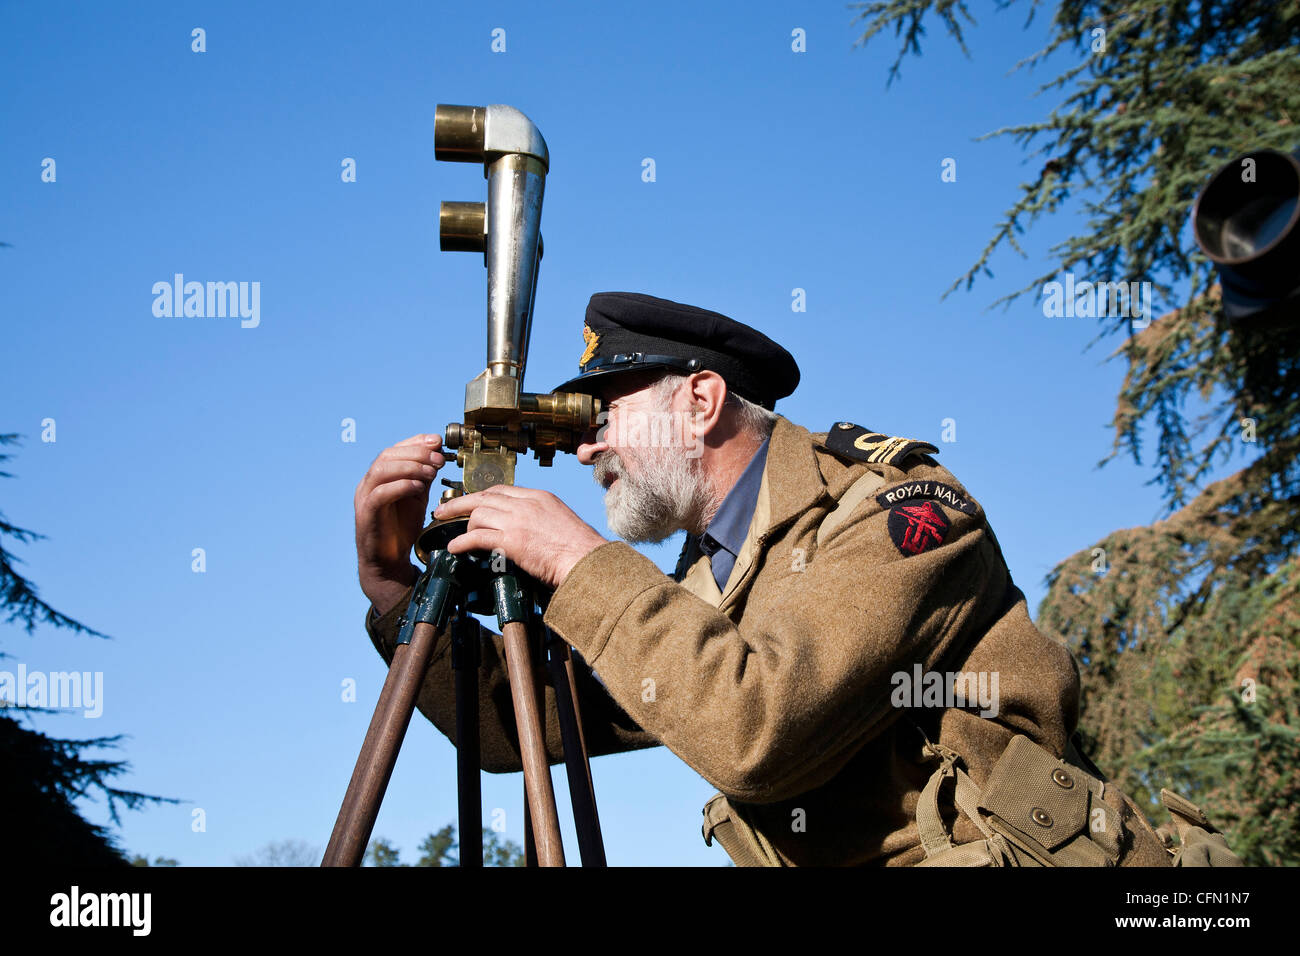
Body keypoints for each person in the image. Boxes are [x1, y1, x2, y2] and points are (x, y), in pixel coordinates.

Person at [354, 292, 1219, 867]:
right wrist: (392, 584)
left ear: (701, 400)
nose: (585, 446)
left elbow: (760, 729)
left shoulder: (901, 515)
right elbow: (524, 731)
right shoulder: (703, 585)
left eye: (605, 409)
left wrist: (578, 562)